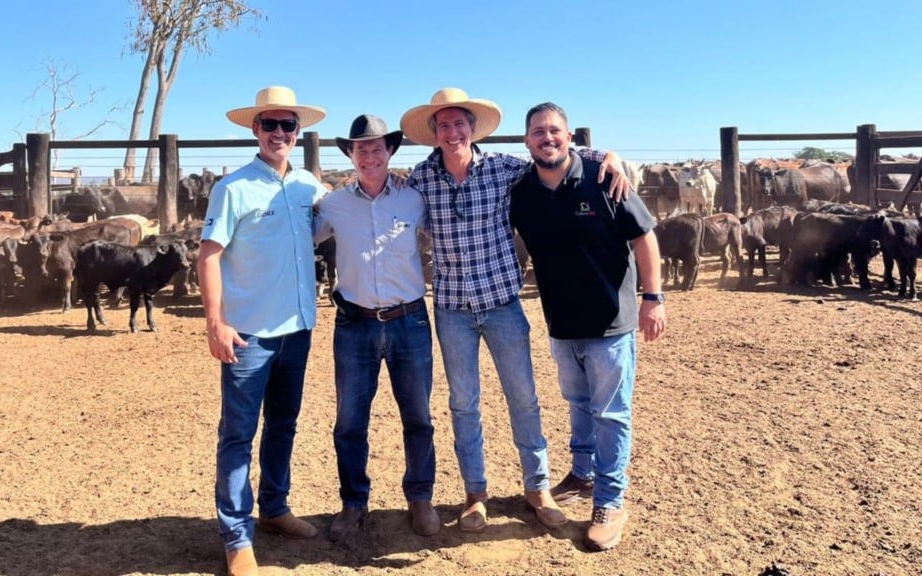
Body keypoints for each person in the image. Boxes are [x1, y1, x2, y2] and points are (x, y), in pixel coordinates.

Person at [399, 88, 630, 533]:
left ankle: (537, 487)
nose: (452, 132)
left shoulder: (504, 168)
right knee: (464, 404)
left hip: (502, 302)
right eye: (442, 125)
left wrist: (607, 155)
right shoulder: (419, 179)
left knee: (523, 399)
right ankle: (475, 493)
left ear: (472, 127)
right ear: (434, 134)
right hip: (452, 309)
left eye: (459, 123)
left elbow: (555, 153)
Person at [509, 102, 666, 551]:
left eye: (555, 130)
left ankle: (610, 499)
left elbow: (644, 238)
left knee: (612, 412)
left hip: (611, 322)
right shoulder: (522, 193)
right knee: (577, 402)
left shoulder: (604, 179)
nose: (547, 138)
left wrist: (653, 298)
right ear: (527, 141)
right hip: (561, 322)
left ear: (569, 136)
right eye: (538, 132)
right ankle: (583, 473)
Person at [197, 85, 328, 576]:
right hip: (248, 332)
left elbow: (341, 214)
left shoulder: (308, 187)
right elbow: (208, 255)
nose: (279, 133)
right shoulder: (232, 188)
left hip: (296, 328)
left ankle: (274, 507)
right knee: (238, 433)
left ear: (298, 132)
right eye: (269, 124)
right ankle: (236, 535)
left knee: (284, 424)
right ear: (255, 130)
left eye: (287, 125)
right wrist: (215, 321)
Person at [313, 114, 439, 541]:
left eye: (377, 147)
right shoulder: (331, 205)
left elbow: (446, 226)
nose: (369, 155)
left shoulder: (414, 197)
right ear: (350, 154)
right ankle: (353, 502)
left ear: (390, 153)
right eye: (361, 148)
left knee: (418, 416)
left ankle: (420, 497)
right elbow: (298, 240)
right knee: (349, 421)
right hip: (355, 323)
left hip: (410, 320)